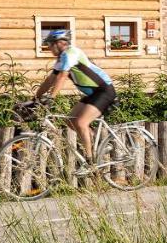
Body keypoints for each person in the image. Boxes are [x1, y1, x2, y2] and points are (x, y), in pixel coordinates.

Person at [32, 29, 116, 161]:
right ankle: (97, 143)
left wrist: (51, 98)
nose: (49, 48)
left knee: (81, 123)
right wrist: (36, 98)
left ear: (60, 43)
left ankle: (90, 162)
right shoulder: (61, 59)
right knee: (70, 121)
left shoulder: (71, 53)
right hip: (94, 94)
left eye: (50, 44)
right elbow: (50, 80)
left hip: (104, 91)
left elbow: (62, 76)